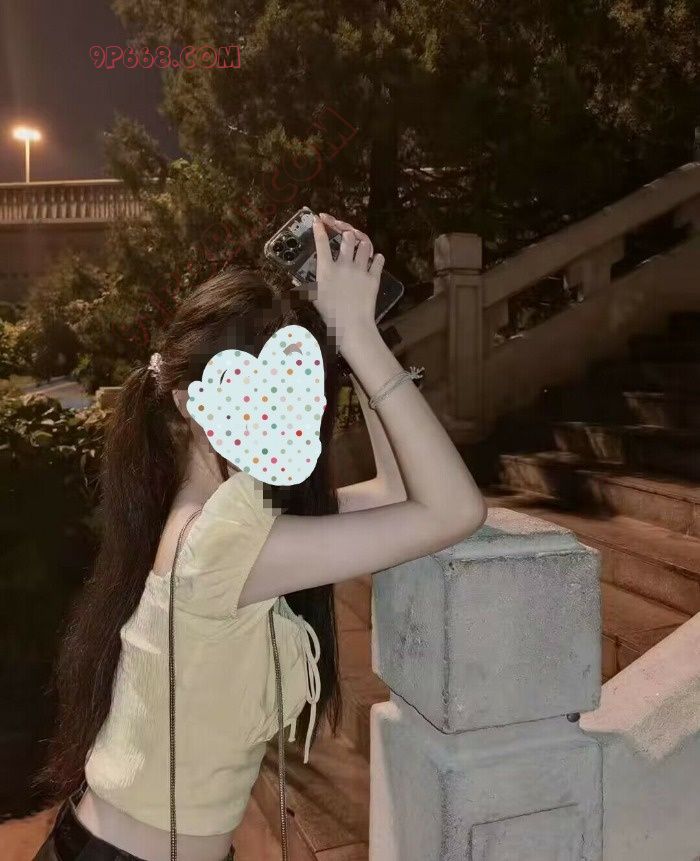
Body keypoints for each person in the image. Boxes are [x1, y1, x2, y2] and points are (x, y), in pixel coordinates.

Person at [31, 213, 487, 861]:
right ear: (189, 402)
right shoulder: (223, 542)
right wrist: (360, 338)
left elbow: (396, 493)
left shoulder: (219, 518)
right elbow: (454, 509)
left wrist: (359, 341)